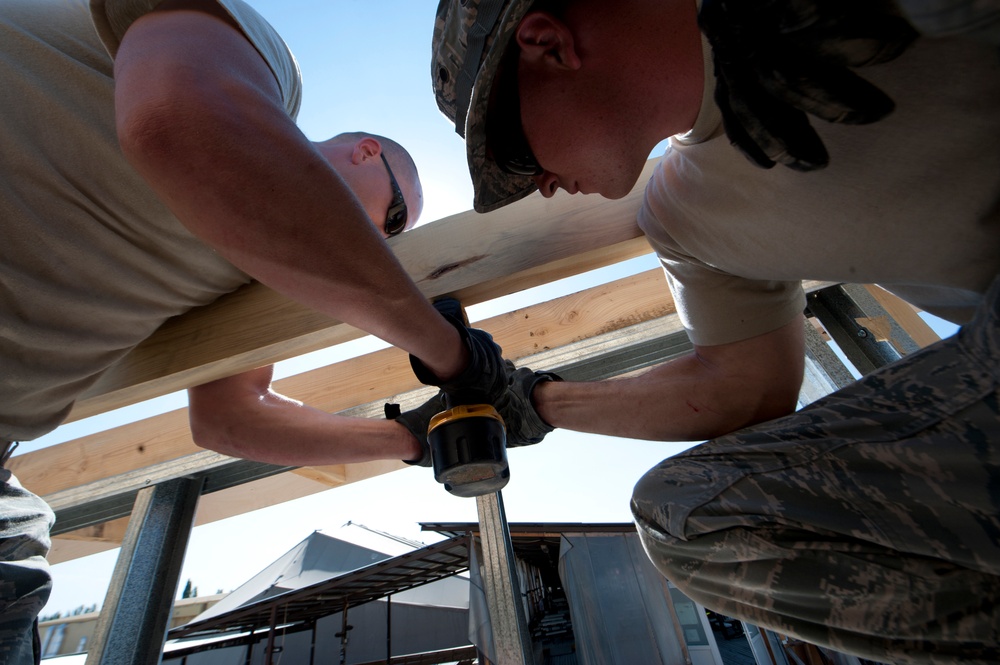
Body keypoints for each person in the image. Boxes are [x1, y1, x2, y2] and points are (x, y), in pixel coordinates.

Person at [431, 0, 1000, 662]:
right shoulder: (684, 214)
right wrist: (529, 400)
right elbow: (745, 390)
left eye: (514, 155)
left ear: (548, 44)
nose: (538, 187)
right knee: (687, 517)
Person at [0, 0, 511, 662]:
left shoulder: (249, 265)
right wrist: (446, 349)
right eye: (390, 219)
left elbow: (227, 419)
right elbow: (171, 122)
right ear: (366, 151)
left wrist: (409, 439)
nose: (376, 248)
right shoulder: (260, 61)